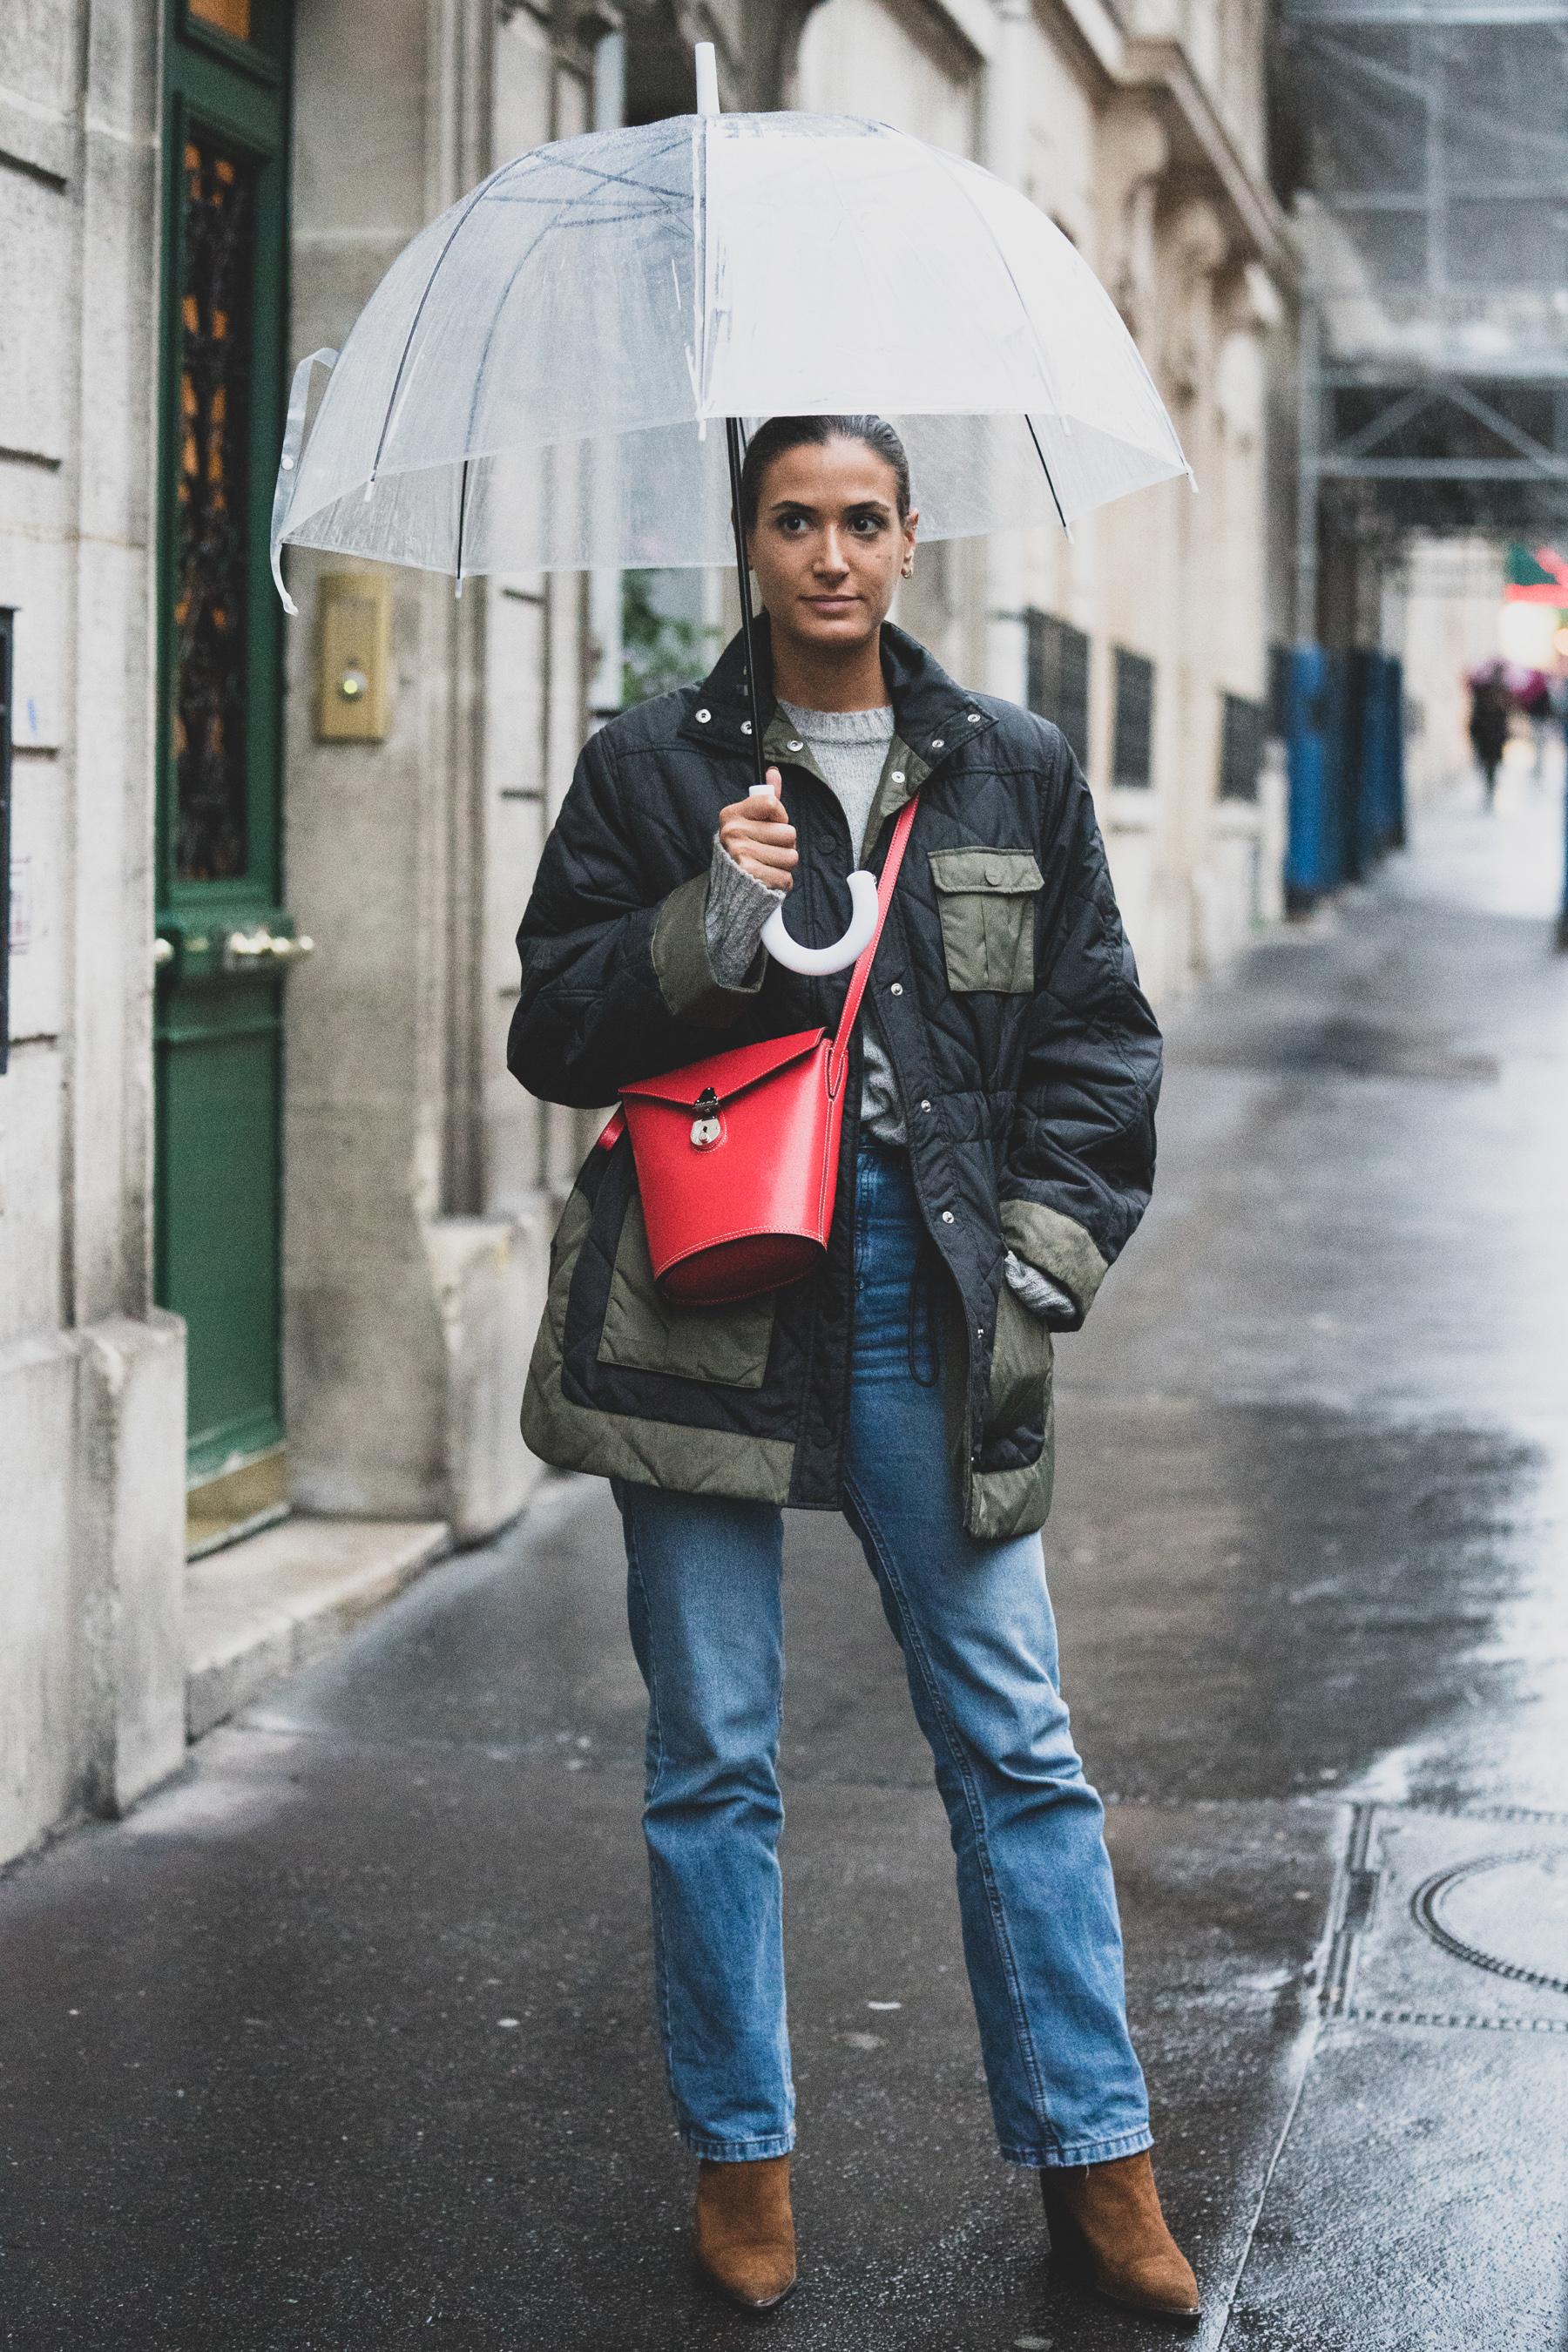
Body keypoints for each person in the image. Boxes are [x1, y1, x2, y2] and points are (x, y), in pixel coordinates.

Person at [509, 416, 1197, 2326]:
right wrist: (704, 920)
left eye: (864, 521)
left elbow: (1100, 1040)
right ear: (748, 540)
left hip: (934, 1290)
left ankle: (1100, 2155)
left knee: (1017, 1739)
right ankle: (742, 2160)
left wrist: (1046, 1269)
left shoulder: (1010, 766)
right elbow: (552, 1031)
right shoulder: (652, 766)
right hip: (704, 1280)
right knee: (713, 1754)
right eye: (795, 520)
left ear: (909, 542)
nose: (831, 554)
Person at [1469, 668, 1511, 806]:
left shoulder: (1497, 693)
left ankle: (1490, 789)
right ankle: (1489, 789)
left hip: (1492, 737)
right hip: (1488, 736)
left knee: (1490, 765)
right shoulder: (1489, 693)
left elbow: (1504, 720)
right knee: (1488, 765)